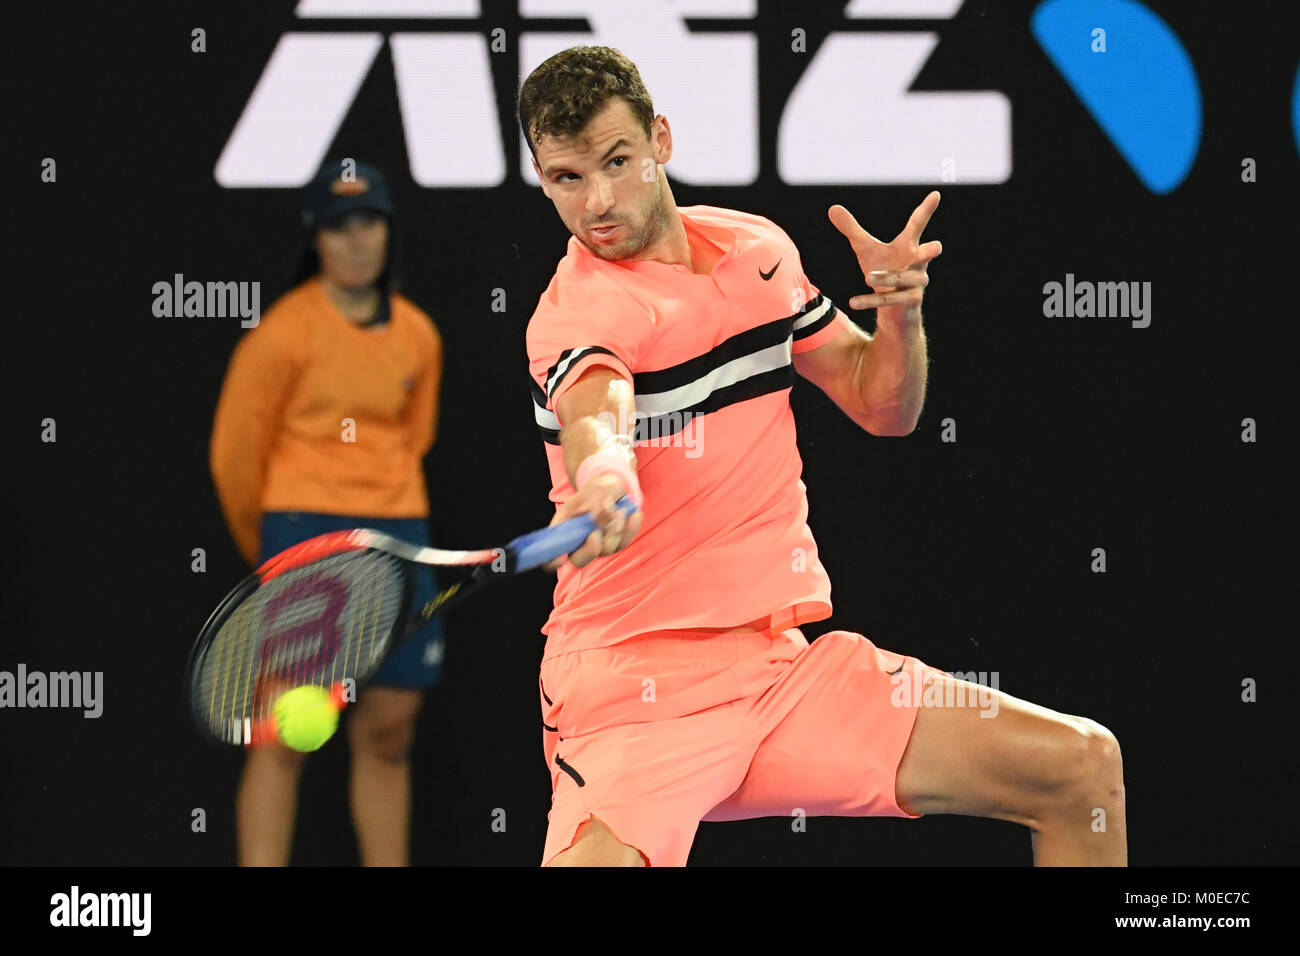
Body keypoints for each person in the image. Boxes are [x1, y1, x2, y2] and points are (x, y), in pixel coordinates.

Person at [518, 46, 1126, 867]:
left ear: (660, 139)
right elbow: (598, 412)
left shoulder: (756, 252)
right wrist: (603, 474)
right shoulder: (575, 314)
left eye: (616, 163)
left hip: (781, 674)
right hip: (633, 694)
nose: (597, 202)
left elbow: (884, 409)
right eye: (565, 178)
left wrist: (900, 317)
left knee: (1080, 770)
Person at [210, 160, 445, 866]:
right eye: (339, 225)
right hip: (304, 537)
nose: (355, 240)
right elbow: (233, 459)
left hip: (400, 537)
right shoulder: (281, 335)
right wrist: (274, 549)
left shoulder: (419, 336)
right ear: (317, 237)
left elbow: (415, 435)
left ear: (388, 231)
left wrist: (383, 506)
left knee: (391, 730)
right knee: (285, 732)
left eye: (368, 221)